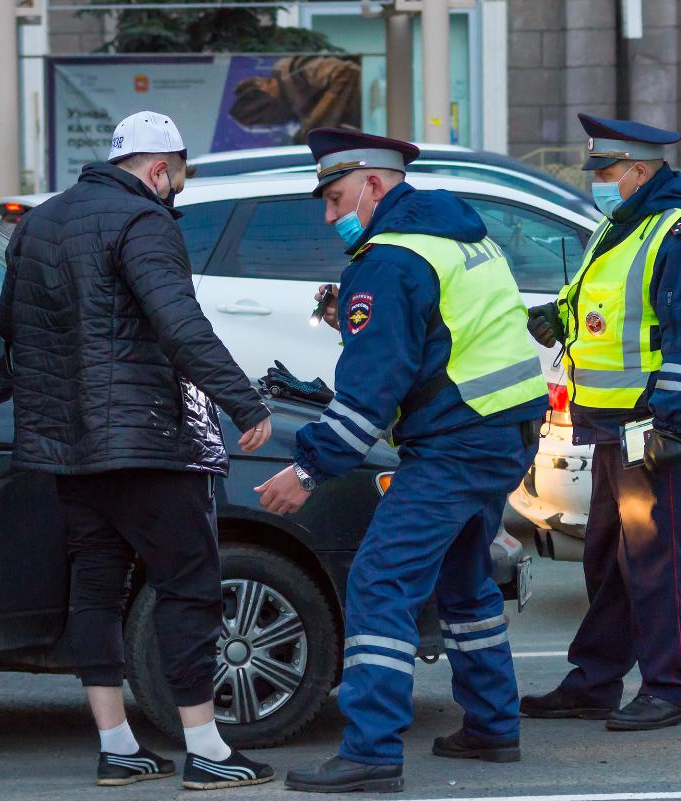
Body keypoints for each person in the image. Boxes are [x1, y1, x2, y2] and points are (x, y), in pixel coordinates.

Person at [253, 129, 548, 793]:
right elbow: (447, 335)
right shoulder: (457, 232)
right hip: (507, 430)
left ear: (374, 185)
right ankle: (493, 724)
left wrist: (306, 471)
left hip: (456, 442)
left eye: (335, 199)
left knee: (380, 580)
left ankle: (371, 749)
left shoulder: (387, 261)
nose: (331, 217)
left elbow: (370, 392)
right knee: (464, 576)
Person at [0, 111, 275, 790]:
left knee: (95, 584)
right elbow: (180, 325)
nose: (175, 189)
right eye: (177, 176)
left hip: (69, 449)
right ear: (159, 170)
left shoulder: (39, 222)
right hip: (147, 444)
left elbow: (9, 325)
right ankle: (207, 749)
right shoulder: (144, 222)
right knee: (189, 586)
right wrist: (244, 402)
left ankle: (117, 744)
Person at [521, 114, 681, 731]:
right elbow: (600, 296)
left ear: (640, 172)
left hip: (652, 426)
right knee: (609, 556)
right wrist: (558, 317)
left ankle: (667, 689)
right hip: (609, 423)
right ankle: (595, 680)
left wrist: (675, 422)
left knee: (655, 558)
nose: (600, 182)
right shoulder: (623, 223)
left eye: (608, 172)